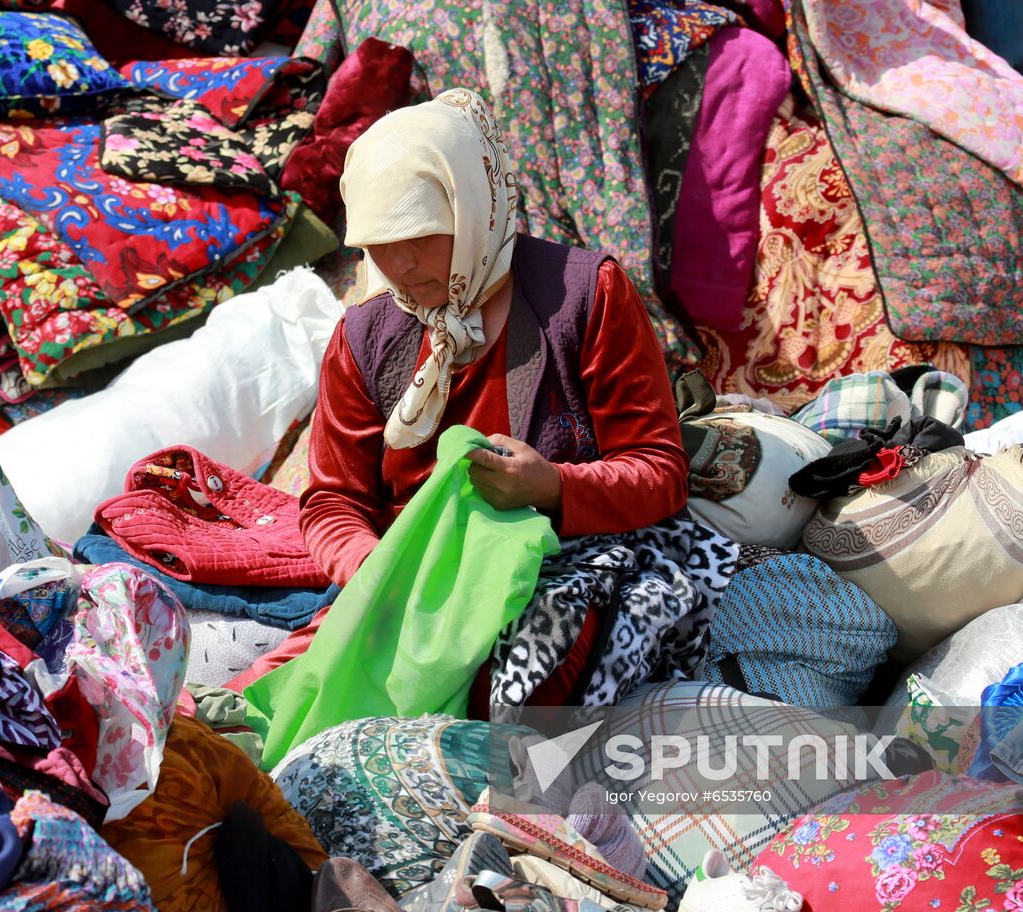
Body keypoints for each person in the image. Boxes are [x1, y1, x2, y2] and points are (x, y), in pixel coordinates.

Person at [225, 88, 688, 690]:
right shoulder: (366, 337)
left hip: (554, 569)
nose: (402, 265)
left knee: (520, 685)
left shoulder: (584, 296)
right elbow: (334, 502)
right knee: (275, 699)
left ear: (472, 209)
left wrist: (550, 486)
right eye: (379, 246)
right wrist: (375, 570)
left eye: (421, 236)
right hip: (406, 587)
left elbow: (660, 471)